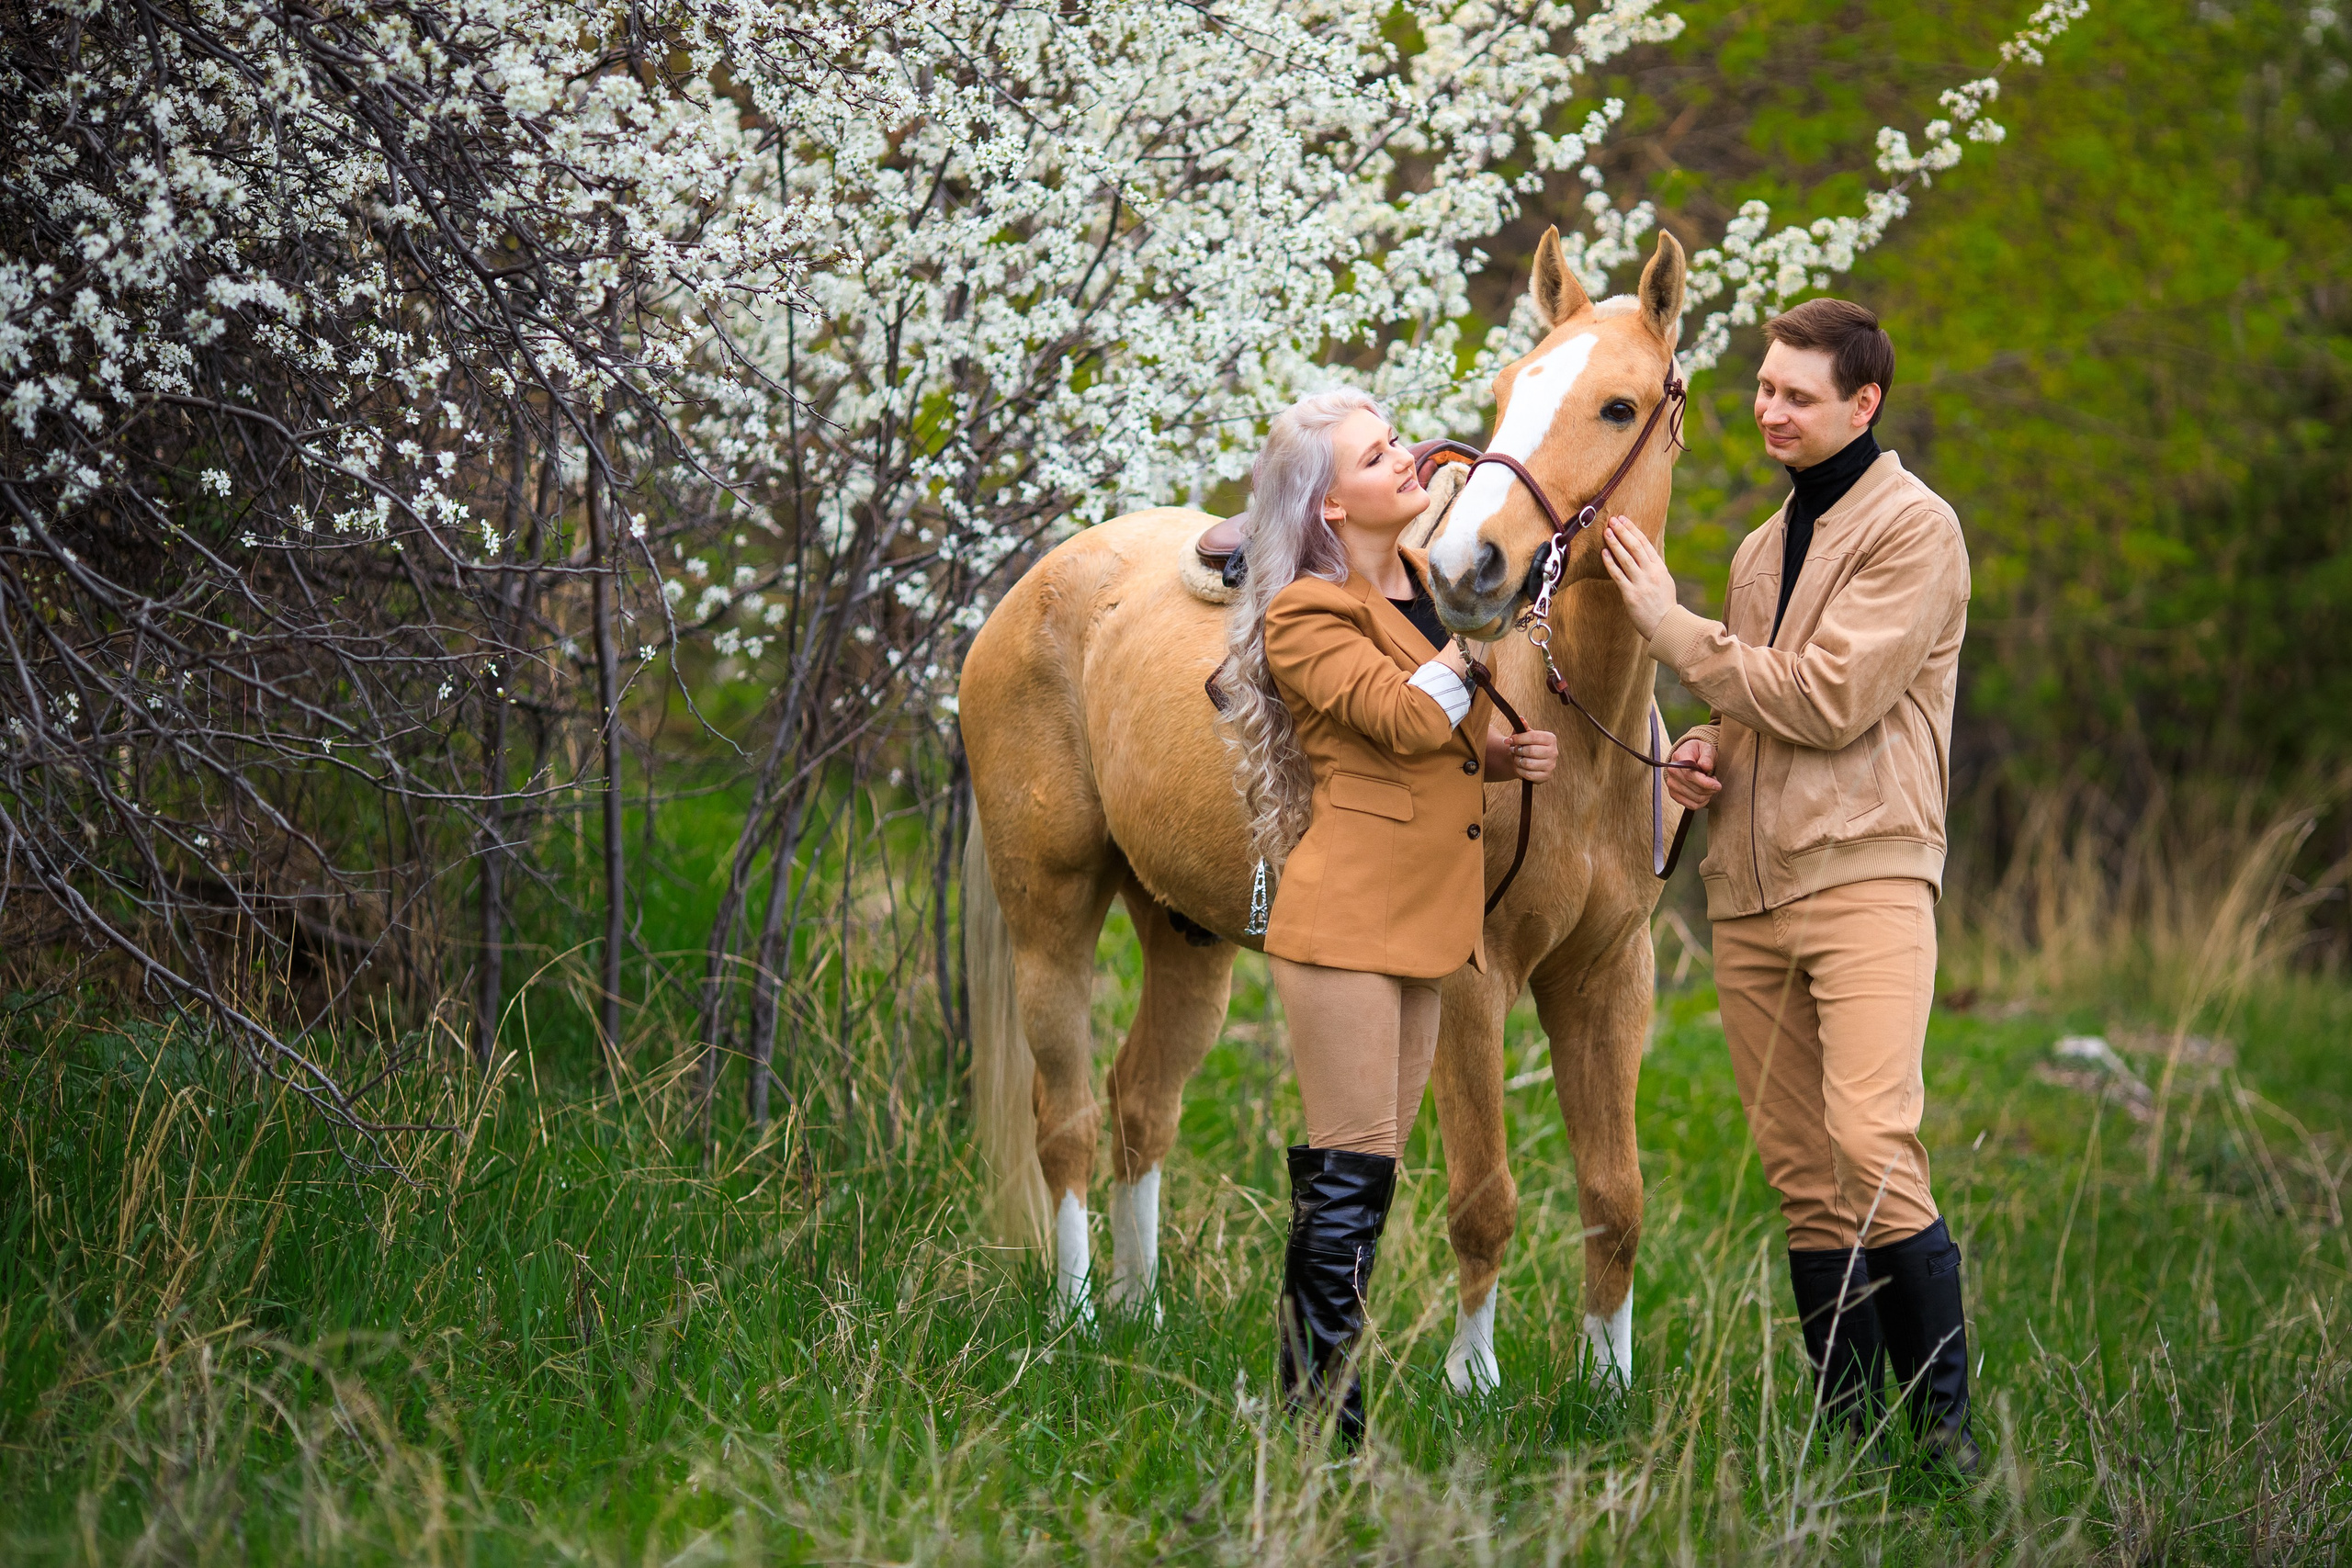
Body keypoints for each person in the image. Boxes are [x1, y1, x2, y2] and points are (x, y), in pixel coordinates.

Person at [1598, 299, 1979, 1472]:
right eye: (1763, 388)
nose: (1769, 410)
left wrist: (1667, 626)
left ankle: (1945, 1441)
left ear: (1863, 404)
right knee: (1806, 1180)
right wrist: (1705, 747)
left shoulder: (1915, 529)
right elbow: (1758, 703)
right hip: (1749, 895)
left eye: (1796, 396)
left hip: (1865, 876)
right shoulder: (1761, 549)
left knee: (1872, 1143)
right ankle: (1849, 1439)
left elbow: (1829, 698)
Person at [1213, 388, 1557, 1446]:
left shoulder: (1416, 581)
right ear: (1329, 505)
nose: (1405, 458)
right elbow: (1403, 718)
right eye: (1375, 457)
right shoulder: (1304, 613)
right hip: (1348, 918)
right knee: (1348, 1169)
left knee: (1365, 1177)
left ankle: (1309, 1405)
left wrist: (1501, 755)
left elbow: (1424, 746)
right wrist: (1476, 631)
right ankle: (1321, 1426)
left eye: (1395, 440)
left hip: (1420, 917)